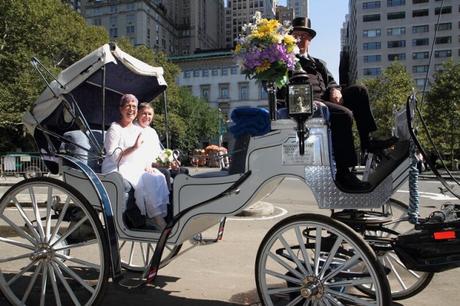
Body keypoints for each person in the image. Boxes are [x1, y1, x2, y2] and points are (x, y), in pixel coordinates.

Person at [287, 17, 397, 190]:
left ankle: (368, 142)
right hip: (306, 104)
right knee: (343, 114)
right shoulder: (286, 62)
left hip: (326, 99)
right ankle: (344, 172)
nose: (300, 40)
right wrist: (311, 102)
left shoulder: (318, 63)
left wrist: (334, 89)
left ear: (310, 39)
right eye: (296, 36)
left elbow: (331, 81)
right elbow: (283, 91)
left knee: (359, 91)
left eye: (304, 36)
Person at [101, 94, 169, 230]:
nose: (131, 109)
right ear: (121, 109)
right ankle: (156, 219)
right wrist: (133, 148)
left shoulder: (138, 130)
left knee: (157, 176)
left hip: (134, 166)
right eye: (128, 106)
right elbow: (114, 156)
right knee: (146, 179)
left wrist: (148, 165)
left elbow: (143, 154)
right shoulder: (115, 129)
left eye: (134, 107)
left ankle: (155, 217)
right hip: (116, 167)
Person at [135, 102, 189, 192]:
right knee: (165, 172)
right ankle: (168, 202)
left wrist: (171, 162)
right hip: (144, 166)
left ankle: (180, 198)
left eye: (149, 114)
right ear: (137, 114)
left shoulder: (152, 132)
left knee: (183, 171)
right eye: (144, 113)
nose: (147, 116)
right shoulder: (134, 129)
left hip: (157, 164)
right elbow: (138, 156)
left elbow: (159, 153)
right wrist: (157, 164)